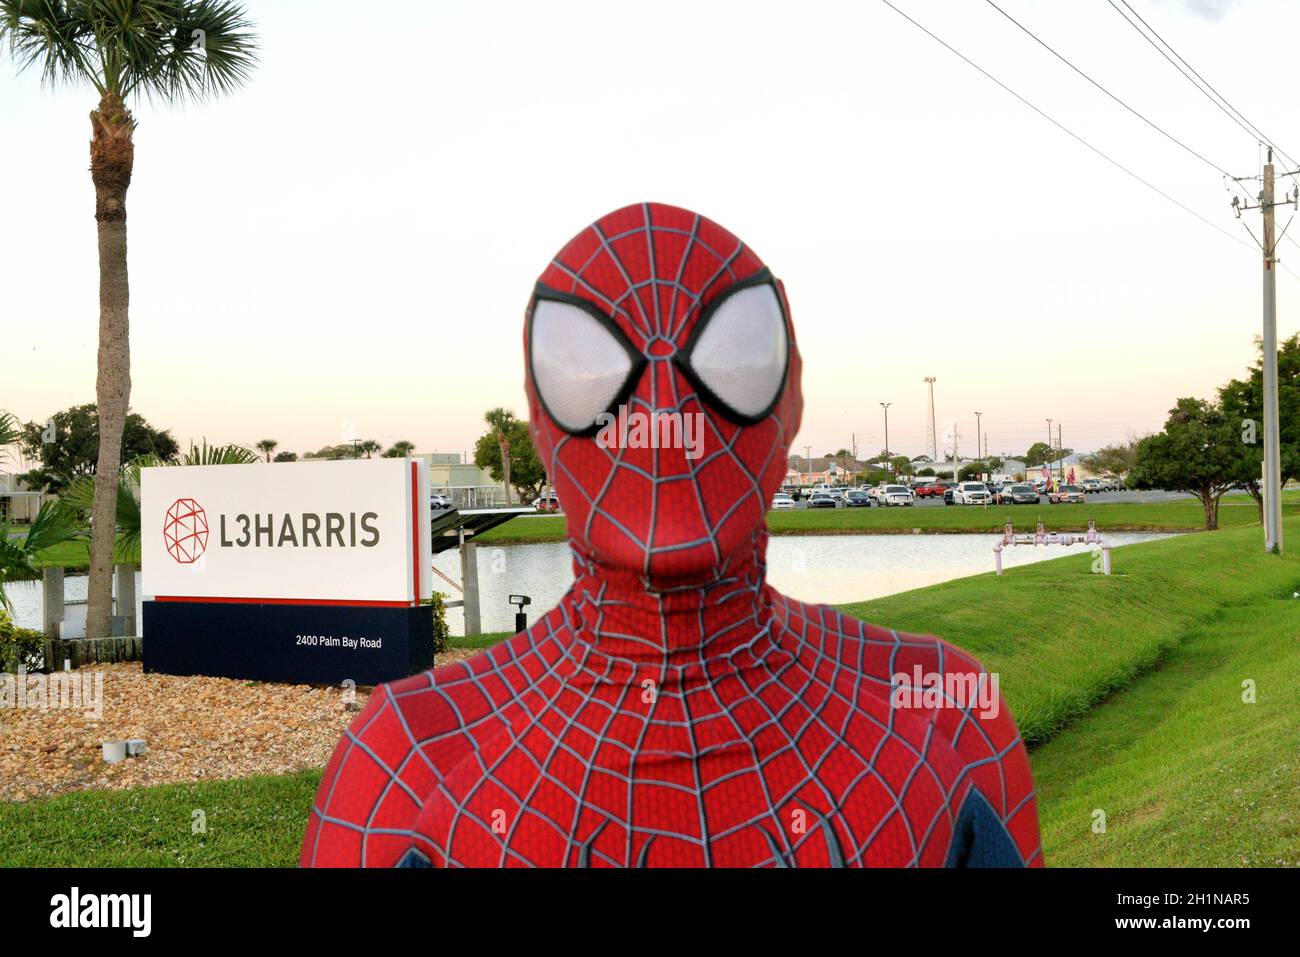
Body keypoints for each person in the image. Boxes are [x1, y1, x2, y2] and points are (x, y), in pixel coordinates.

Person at [301, 203, 1041, 868]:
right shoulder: (411, 751)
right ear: (538, 413)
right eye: (590, 369)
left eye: (727, 357)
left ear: (791, 397)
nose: (663, 410)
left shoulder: (943, 709)